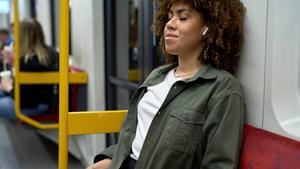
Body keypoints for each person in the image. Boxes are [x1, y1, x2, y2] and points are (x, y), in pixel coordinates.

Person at [88, 0, 246, 168]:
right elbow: (137, 138)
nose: (169, 24)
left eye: (183, 17)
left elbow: (218, 165)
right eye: (169, 16)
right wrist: (107, 160)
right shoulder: (158, 75)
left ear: (208, 28)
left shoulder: (222, 89)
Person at [0, 18, 59, 119]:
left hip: (35, 105)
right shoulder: (52, 53)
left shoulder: (26, 61)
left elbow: (24, 99)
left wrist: (8, 88)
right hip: (47, 100)